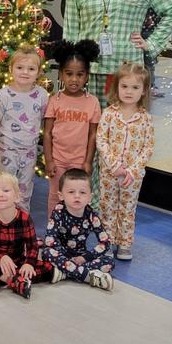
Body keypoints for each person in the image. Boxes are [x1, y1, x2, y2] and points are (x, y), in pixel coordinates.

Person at [96, 61, 154, 261]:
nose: (129, 91)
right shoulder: (109, 114)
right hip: (110, 173)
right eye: (124, 86)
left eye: (135, 87)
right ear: (117, 87)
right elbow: (101, 140)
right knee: (107, 206)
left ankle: (125, 244)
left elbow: (148, 147)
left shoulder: (145, 119)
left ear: (144, 91)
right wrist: (115, 166)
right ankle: (107, 242)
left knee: (128, 209)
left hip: (132, 176)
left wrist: (131, 170)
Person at [0, 172, 54, 301]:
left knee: (48, 268)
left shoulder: (24, 218)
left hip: (17, 261)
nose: (0, 194)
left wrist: (29, 264)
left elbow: (32, 246)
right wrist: (1, 257)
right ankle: (12, 280)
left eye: (6, 190)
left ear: (17, 196)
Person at [43, 39, 101, 216]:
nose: (74, 79)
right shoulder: (55, 100)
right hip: (58, 160)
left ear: (87, 75)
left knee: (77, 197)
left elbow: (93, 135)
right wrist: (49, 160)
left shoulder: (92, 102)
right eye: (69, 74)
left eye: (80, 74)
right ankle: (53, 230)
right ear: (61, 74)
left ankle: (74, 231)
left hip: (79, 162)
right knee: (56, 195)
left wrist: (88, 161)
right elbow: (47, 133)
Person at [0, 45, 48, 212]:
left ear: (38, 72)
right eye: (20, 67)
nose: (25, 72)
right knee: (4, 190)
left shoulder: (41, 95)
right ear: (11, 69)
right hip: (6, 152)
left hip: (29, 152)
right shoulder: (2, 96)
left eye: (31, 69)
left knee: (24, 191)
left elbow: (46, 122)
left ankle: (22, 224)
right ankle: (3, 222)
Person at [42, 168, 115, 290]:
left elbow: (105, 242)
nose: (77, 196)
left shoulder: (91, 215)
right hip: (60, 254)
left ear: (90, 197)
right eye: (71, 192)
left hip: (81, 256)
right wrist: (64, 257)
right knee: (47, 252)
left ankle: (65, 272)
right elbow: (50, 240)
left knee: (109, 262)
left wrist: (84, 258)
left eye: (82, 192)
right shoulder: (59, 211)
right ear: (61, 195)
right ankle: (87, 276)